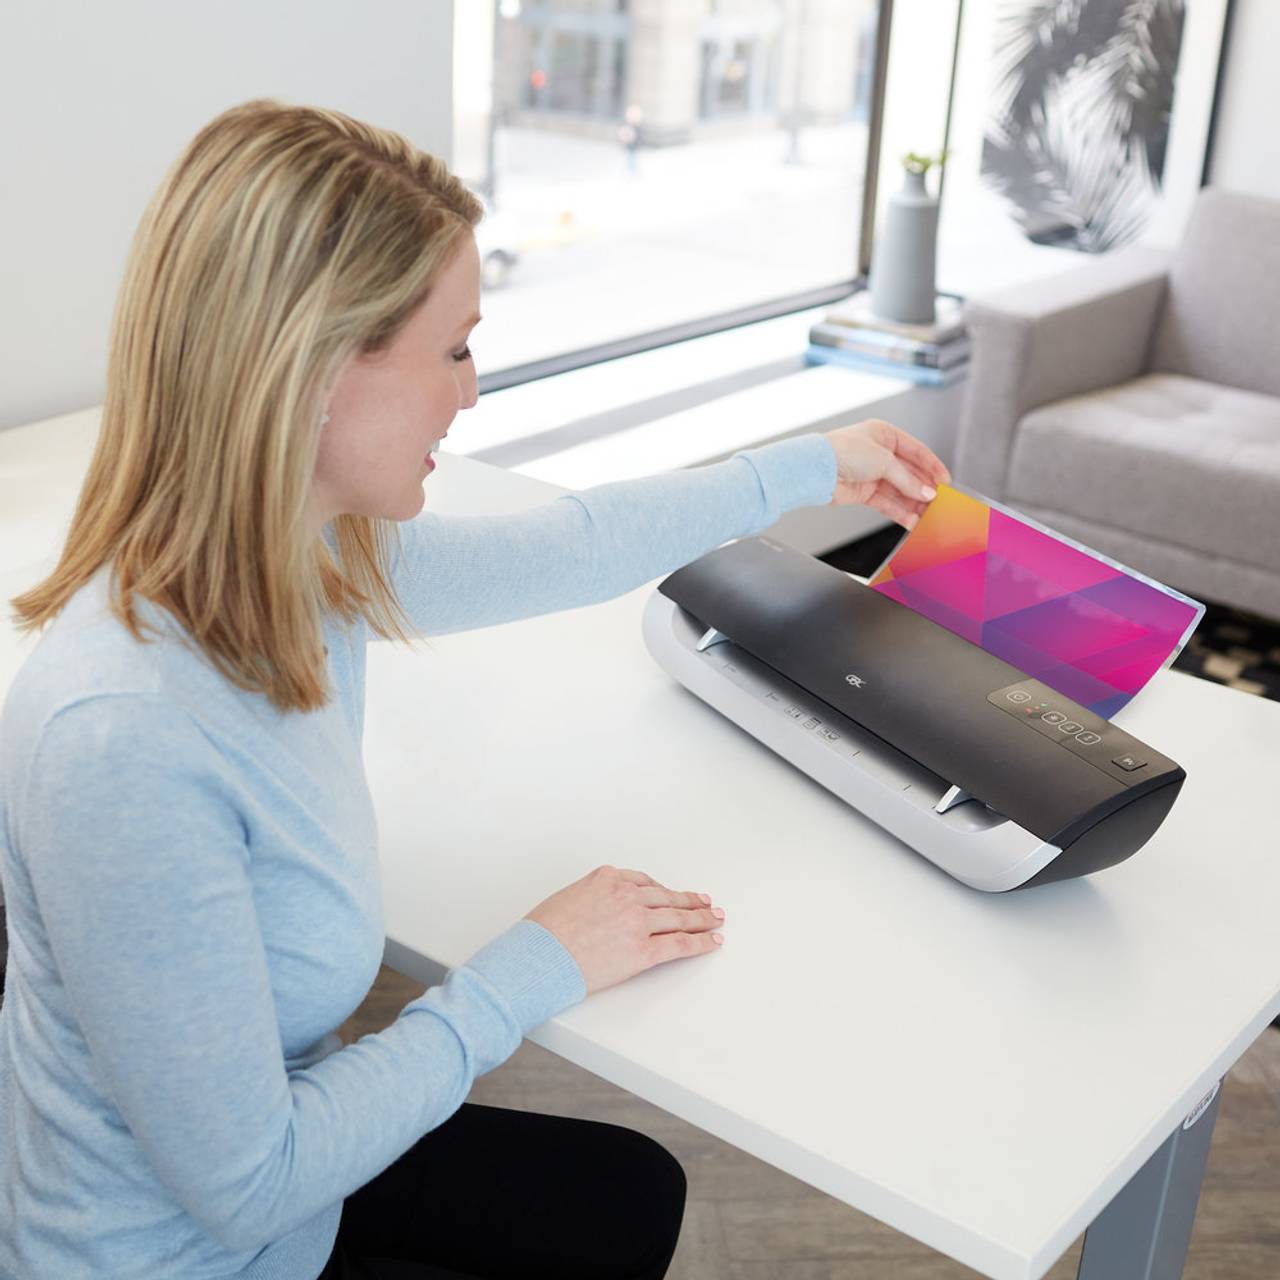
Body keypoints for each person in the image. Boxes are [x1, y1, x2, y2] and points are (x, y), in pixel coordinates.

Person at [0, 99, 949, 1280]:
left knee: (626, 1193)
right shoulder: (121, 738)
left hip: (287, 1189)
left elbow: (565, 544)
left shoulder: (301, 563)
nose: (473, 390)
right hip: (190, 1252)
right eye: (451, 349)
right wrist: (535, 961)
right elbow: (248, 1185)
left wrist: (816, 466)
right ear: (310, 371)